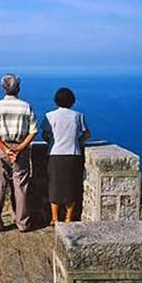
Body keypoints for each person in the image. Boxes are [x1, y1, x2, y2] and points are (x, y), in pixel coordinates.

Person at [0, 73, 38, 232]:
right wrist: (19, 148)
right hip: (20, 150)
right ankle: (22, 223)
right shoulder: (26, 107)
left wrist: (6, 149)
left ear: (3, 88)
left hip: (1, 149)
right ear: (18, 88)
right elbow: (33, 131)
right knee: (21, 187)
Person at [42, 87, 90, 224]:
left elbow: (45, 134)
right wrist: (78, 141)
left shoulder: (50, 116)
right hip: (73, 153)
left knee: (54, 186)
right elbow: (86, 133)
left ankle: (55, 217)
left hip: (55, 154)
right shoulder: (78, 115)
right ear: (72, 101)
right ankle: (68, 217)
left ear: (56, 101)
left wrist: (51, 141)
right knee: (72, 186)